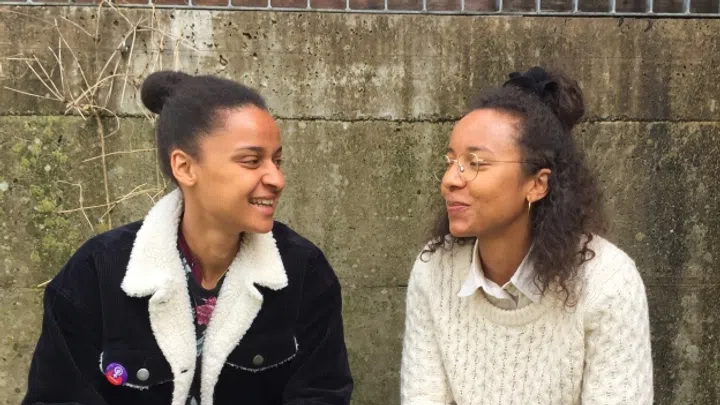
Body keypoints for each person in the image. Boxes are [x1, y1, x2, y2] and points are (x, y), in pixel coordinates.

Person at [22, 71, 353, 405]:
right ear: (184, 167)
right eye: (252, 161)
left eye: (277, 161)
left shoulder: (303, 272)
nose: (277, 179)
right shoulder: (96, 273)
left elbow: (321, 394)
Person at [400, 67, 653, 405]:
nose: (449, 180)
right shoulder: (435, 270)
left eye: (476, 163)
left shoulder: (607, 282)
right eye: (451, 162)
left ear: (537, 184)